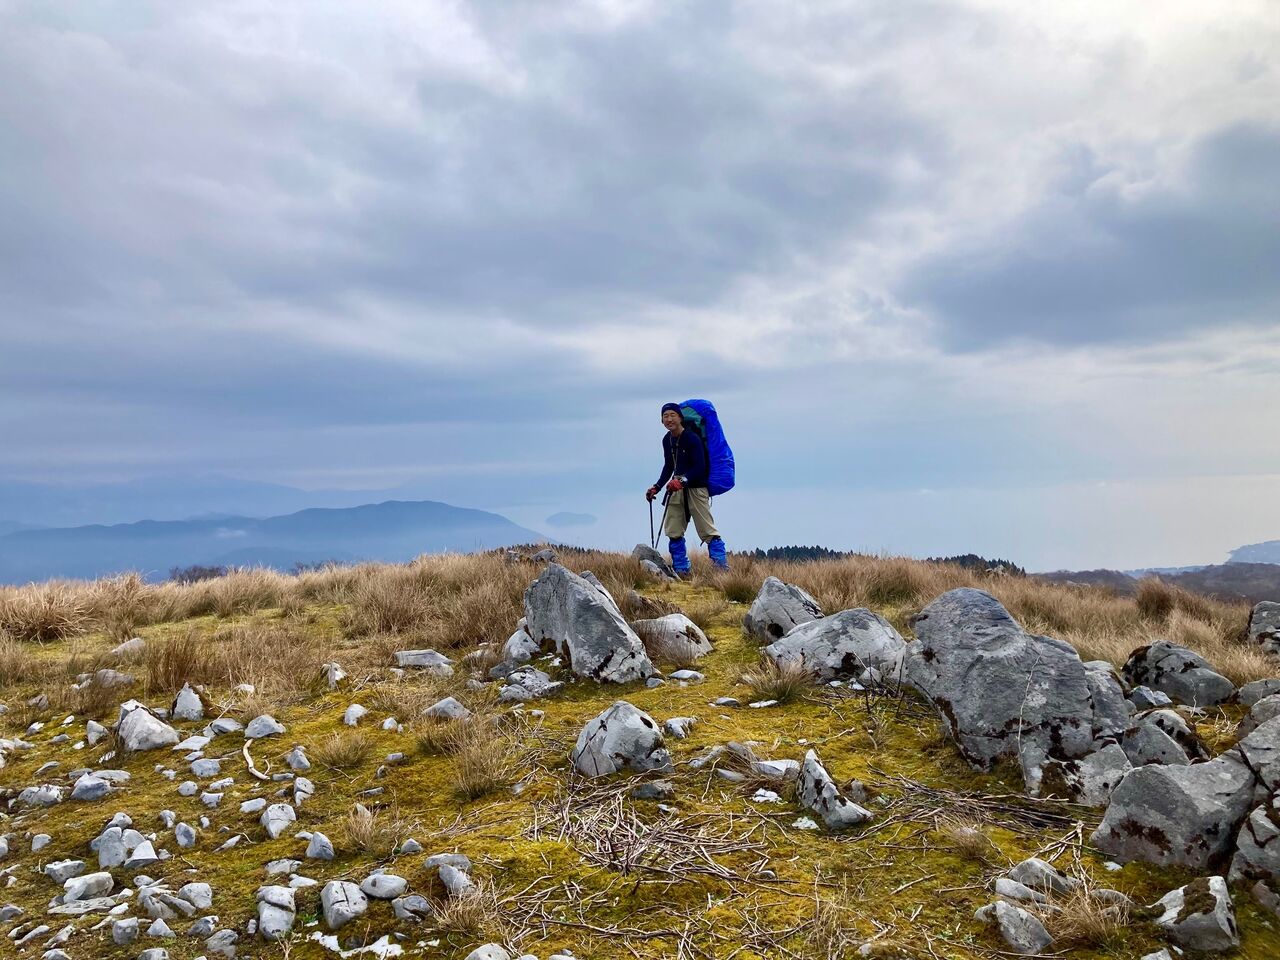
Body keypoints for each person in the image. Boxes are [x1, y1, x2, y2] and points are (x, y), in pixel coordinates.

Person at [646, 402, 728, 573]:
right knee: (674, 530)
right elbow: (669, 466)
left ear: (680, 418)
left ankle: (721, 570)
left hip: (697, 488)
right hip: (675, 490)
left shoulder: (692, 438)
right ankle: (682, 571)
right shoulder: (667, 440)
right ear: (661, 420)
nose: (669, 419)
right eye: (665, 416)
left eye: (672, 415)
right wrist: (657, 487)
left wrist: (682, 481)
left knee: (707, 531)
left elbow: (700, 467)